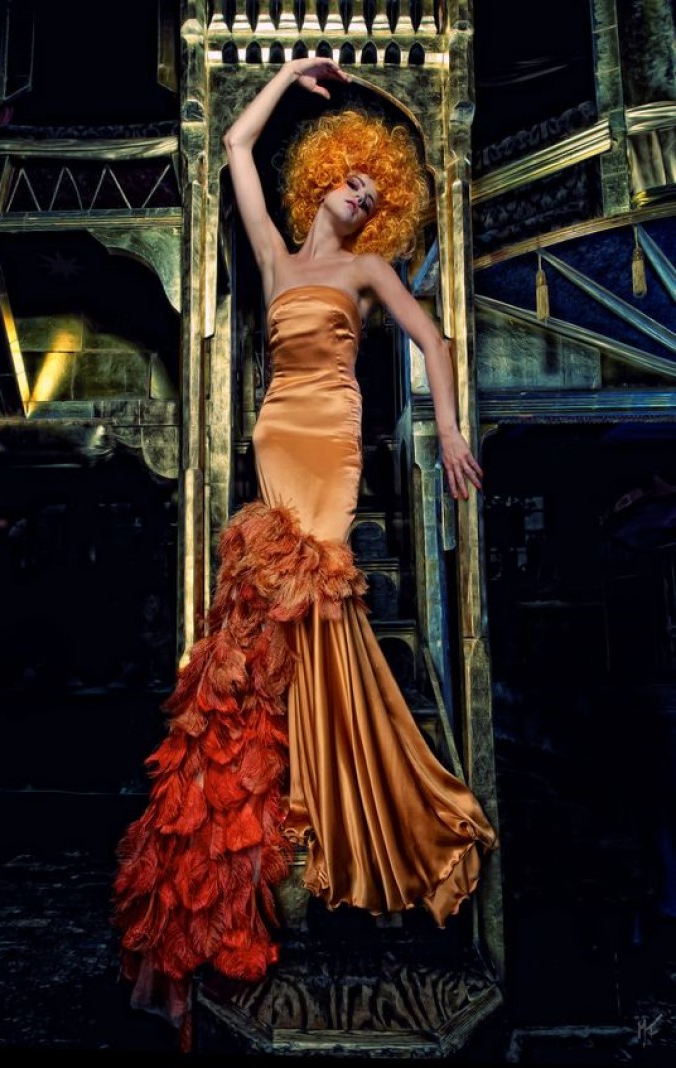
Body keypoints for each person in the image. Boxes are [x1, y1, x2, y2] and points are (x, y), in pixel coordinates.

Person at [112, 57, 499, 1048]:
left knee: (318, 601)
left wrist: (452, 431)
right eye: (349, 181)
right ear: (321, 181)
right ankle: (303, 810)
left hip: (332, 442)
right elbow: (236, 144)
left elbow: (434, 342)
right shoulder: (278, 261)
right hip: (276, 434)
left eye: (372, 192)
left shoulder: (367, 273)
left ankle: (355, 807)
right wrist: (286, 75)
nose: (358, 196)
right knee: (266, 624)